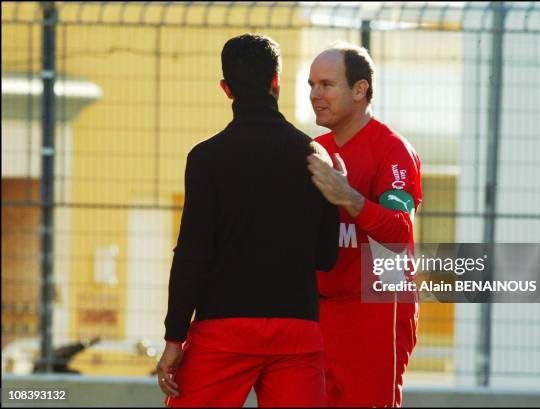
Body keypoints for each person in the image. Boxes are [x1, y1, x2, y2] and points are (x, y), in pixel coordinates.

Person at [156, 33, 339, 408]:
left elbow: (192, 253)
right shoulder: (315, 154)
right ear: (277, 82)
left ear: (226, 89)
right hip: (297, 330)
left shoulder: (206, 158)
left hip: (224, 331)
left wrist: (174, 338)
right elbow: (326, 257)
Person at [306, 43, 423, 407]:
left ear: (360, 90)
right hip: (318, 309)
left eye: (326, 84)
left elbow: (399, 230)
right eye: (311, 84)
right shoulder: (312, 150)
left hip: (376, 306)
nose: (314, 95)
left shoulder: (392, 150)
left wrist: (349, 197)